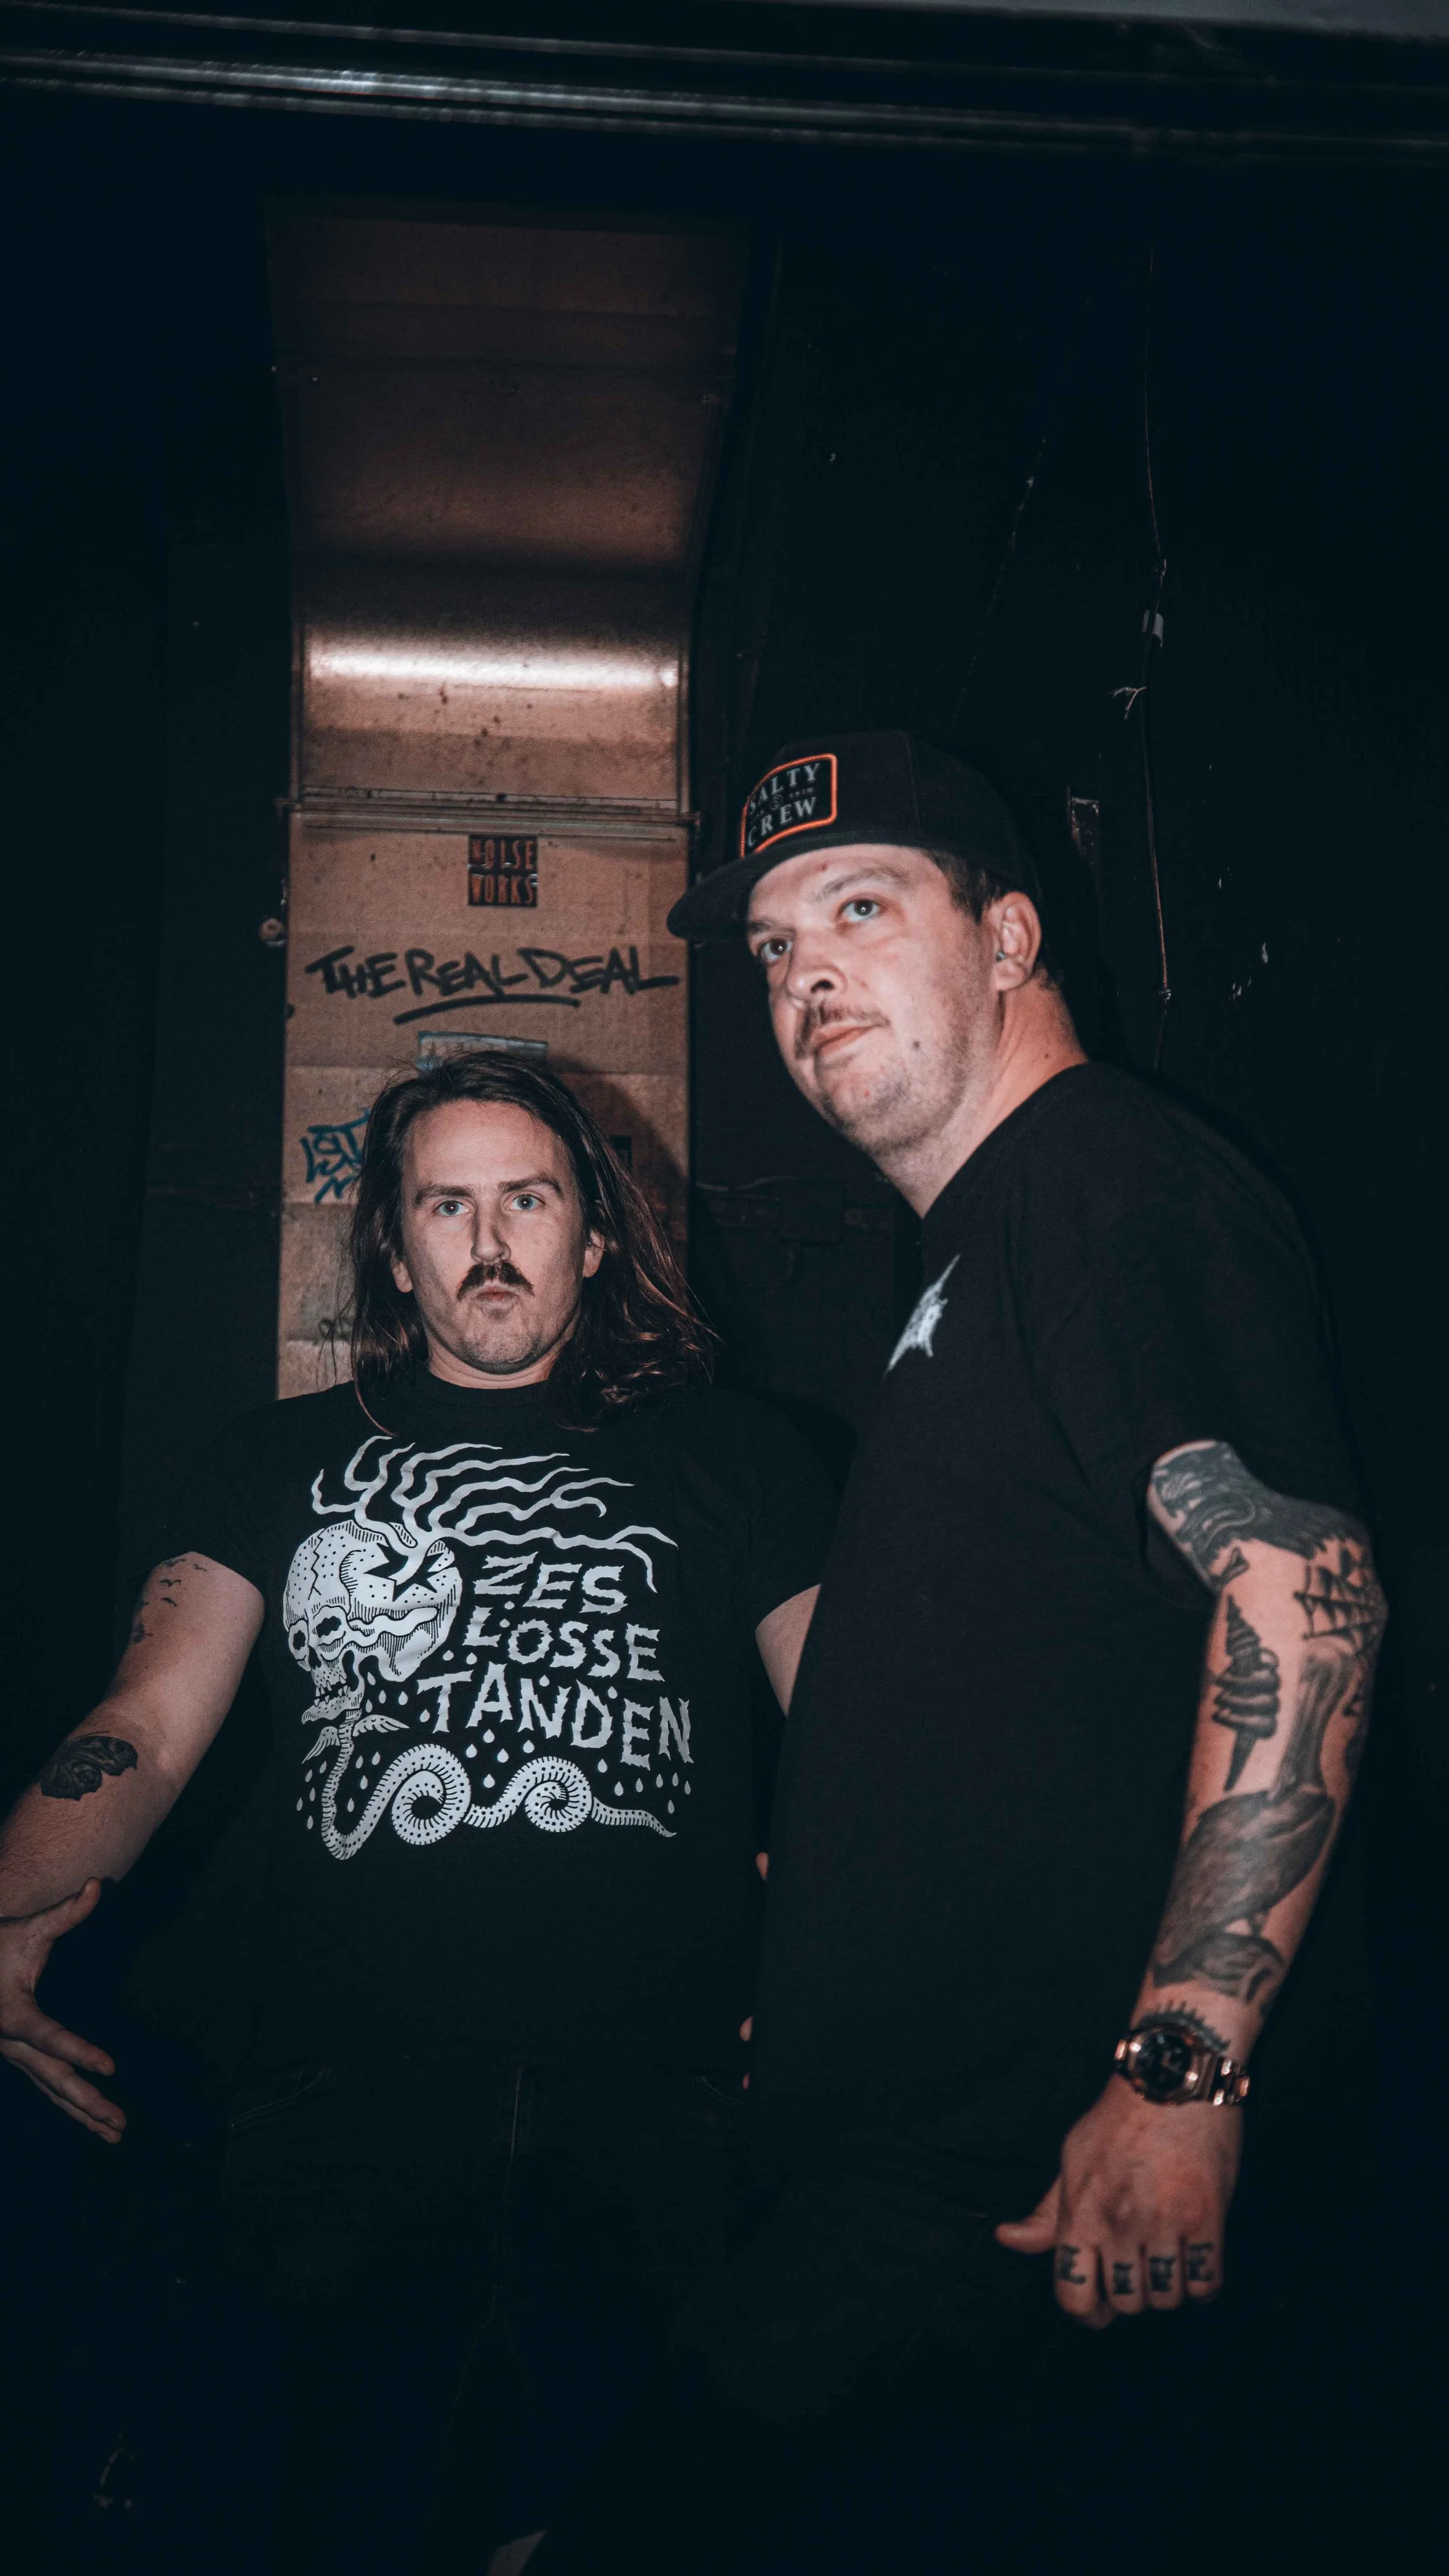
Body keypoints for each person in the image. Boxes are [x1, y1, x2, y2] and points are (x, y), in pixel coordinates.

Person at [527, 732, 1387, 2573]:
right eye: (772, 946)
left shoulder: (1105, 1182)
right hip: (906, 2168)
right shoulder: (973, 1241)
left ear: (1007, 937)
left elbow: (1302, 1594)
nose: (803, 975)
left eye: (859, 908)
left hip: (1012, 2187)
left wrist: (1181, 2070)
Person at [0, 1054, 836, 2574]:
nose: (488, 1241)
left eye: (529, 1199)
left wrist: (847, 1961)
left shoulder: (742, 1458)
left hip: (659, 2110)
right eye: (445, 1205)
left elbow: (860, 1741)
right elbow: (145, 1729)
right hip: (345, 2114)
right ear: (393, 1247)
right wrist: (3, 1908)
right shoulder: (274, 1461)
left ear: (596, 1232)